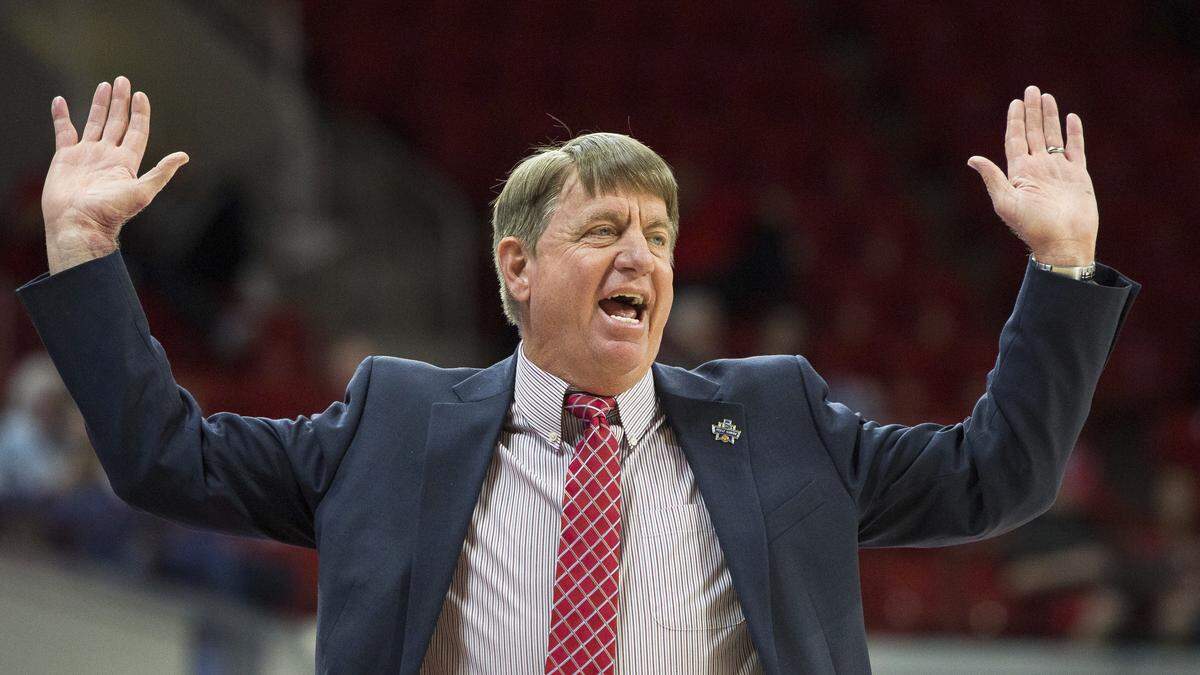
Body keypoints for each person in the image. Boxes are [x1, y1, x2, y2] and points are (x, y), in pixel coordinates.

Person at [16, 76, 1139, 674]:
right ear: (518, 265)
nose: (641, 255)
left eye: (658, 233)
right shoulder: (393, 420)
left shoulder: (781, 415)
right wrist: (84, 251)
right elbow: (164, 458)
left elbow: (998, 477)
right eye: (605, 228)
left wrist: (1061, 264)